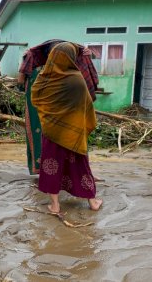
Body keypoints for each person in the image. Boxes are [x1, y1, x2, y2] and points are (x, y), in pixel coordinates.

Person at [30, 42, 103, 213]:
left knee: (51, 167)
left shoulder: (44, 77)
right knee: (80, 166)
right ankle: (92, 202)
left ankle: (55, 205)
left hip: (51, 131)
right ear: (70, 57)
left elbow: (35, 98)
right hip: (74, 133)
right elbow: (86, 106)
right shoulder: (76, 79)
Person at [18, 40, 99, 175]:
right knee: (63, 147)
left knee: (62, 148)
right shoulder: (69, 76)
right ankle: (63, 175)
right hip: (62, 121)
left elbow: (85, 96)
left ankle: (62, 176)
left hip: (60, 121)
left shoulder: (65, 75)